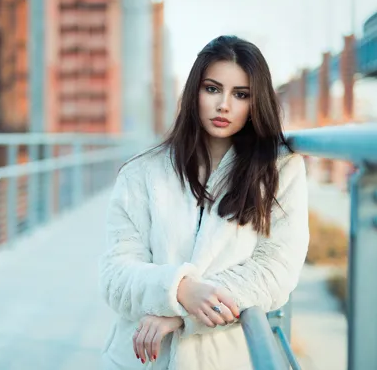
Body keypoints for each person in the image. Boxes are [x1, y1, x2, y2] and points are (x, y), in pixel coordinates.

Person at [98, 35, 310, 370]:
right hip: (141, 358)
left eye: (241, 95)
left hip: (224, 358)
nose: (224, 104)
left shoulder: (280, 172)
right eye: (212, 89)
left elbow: (275, 271)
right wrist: (180, 290)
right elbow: (116, 275)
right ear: (194, 91)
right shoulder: (142, 172)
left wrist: (182, 314)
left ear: (257, 103)